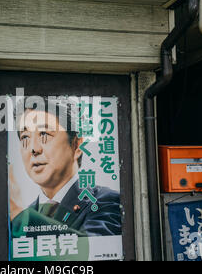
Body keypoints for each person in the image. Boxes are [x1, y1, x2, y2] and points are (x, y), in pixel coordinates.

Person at [9, 97, 122, 239]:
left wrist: (21, 215)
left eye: (44, 134)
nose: (33, 149)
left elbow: (94, 249)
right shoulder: (22, 217)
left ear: (76, 145)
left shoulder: (105, 201)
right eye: (25, 137)